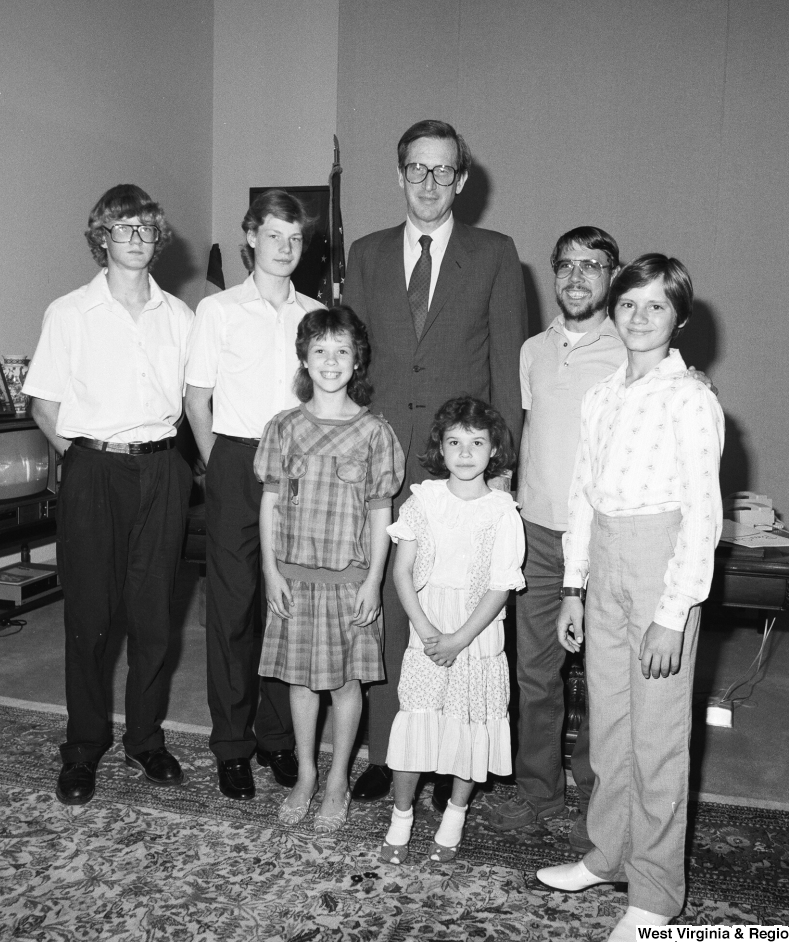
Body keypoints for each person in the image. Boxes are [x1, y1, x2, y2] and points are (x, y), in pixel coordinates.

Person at [536, 255, 724, 938]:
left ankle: (655, 890)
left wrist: (672, 614)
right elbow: (584, 497)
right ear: (612, 312)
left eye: (655, 306)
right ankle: (608, 853)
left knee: (657, 737)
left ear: (679, 319)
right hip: (606, 559)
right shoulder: (601, 395)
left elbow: (703, 516)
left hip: (660, 568)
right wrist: (574, 587)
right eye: (629, 305)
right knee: (608, 726)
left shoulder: (690, 399)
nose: (639, 317)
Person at [346, 119, 528, 802]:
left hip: (464, 469)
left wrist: (503, 471)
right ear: (399, 175)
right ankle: (392, 750)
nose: (428, 183)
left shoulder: (495, 253)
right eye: (417, 170)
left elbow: (507, 369)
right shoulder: (364, 254)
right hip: (386, 465)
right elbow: (354, 368)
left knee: (460, 608)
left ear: (462, 180)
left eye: (442, 171)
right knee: (392, 610)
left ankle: (452, 753)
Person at [23, 184, 194, 806]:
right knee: (90, 617)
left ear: (157, 237)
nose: (135, 239)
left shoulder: (180, 316)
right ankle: (83, 747)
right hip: (94, 469)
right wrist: (83, 457)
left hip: (162, 470)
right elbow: (43, 401)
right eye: (122, 228)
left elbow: (195, 399)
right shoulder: (69, 313)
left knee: (154, 618)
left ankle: (145, 740)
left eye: (145, 228)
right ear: (102, 237)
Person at [184, 190, 325, 800]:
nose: (285, 249)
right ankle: (233, 745)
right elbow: (196, 400)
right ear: (249, 238)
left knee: (285, 607)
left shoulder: (317, 314)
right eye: (274, 237)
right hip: (236, 460)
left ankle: (277, 739)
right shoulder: (217, 310)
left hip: (300, 468)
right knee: (233, 608)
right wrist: (222, 469)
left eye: (295, 239)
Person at [486, 226, 625, 840]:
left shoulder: (630, 349)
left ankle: (597, 795)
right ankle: (537, 792)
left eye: (590, 265)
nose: (575, 276)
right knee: (535, 673)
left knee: (603, 676)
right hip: (537, 533)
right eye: (565, 264)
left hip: (602, 536)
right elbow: (523, 436)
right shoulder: (531, 350)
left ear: (611, 276)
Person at [255, 306, 405, 831]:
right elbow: (270, 503)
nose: (331, 360)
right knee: (301, 684)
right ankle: (305, 775)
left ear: (357, 359)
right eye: (320, 350)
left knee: (345, 685)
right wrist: (272, 573)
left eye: (342, 350)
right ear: (304, 357)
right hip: (295, 580)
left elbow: (381, 511)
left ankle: (338, 778)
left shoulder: (374, 433)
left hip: (348, 583)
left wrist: (372, 582)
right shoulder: (284, 428)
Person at [380, 397, 525, 863]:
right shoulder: (424, 499)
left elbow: (501, 585)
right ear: (440, 450)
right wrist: (425, 631)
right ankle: (401, 816)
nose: (465, 453)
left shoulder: (503, 511)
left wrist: (460, 638)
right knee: (417, 715)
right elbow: (402, 572)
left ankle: (454, 815)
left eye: (476, 442)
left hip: (477, 629)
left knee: (469, 723)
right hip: (428, 623)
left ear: (493, 450)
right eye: (454, 442)